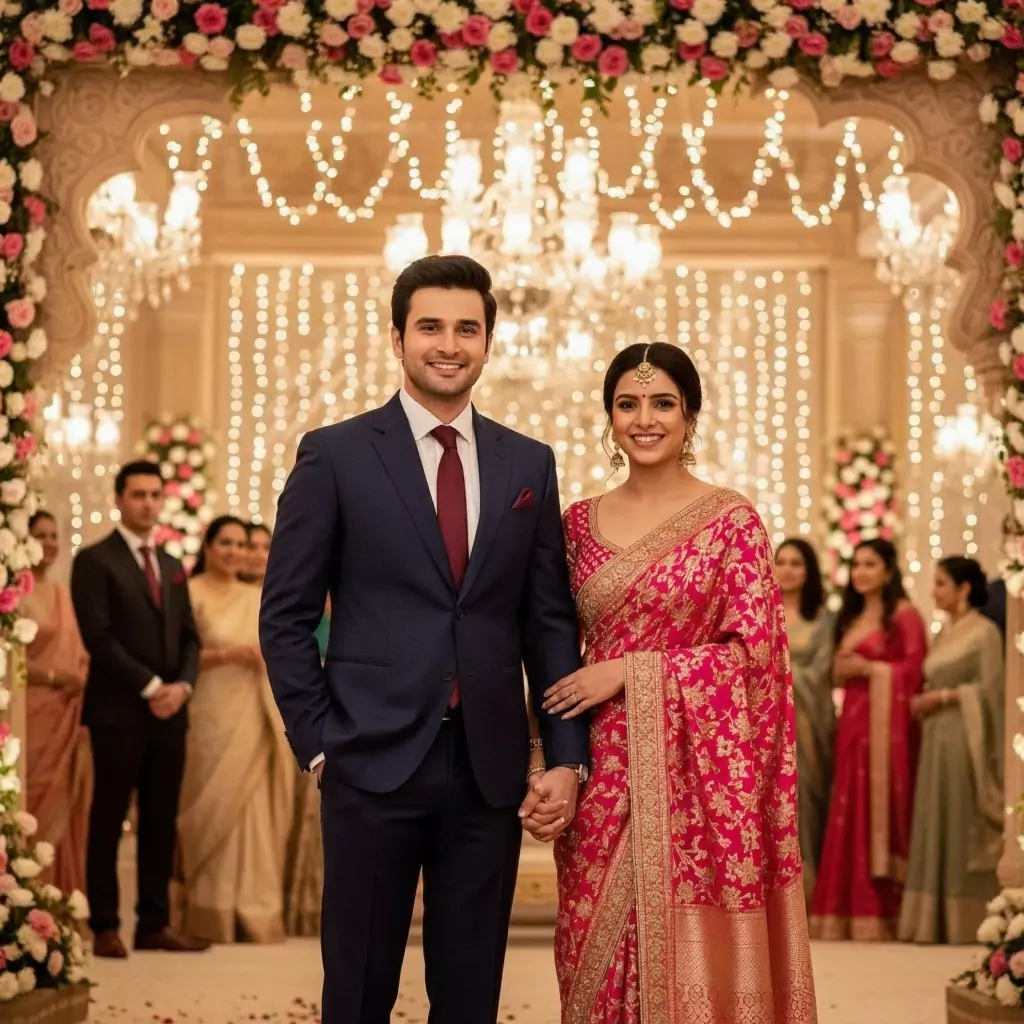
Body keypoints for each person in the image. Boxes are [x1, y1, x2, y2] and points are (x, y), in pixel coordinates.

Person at [259, 254, 590, 1024]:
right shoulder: (335, 453)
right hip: (366, 757)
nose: (449, 344)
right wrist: (318, 742)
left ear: (488, 342)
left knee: (470, 993)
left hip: (487, 767)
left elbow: (547, 623)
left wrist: (567, 756)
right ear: (398, 338)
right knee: (359, 988)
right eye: (430, 327)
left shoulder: (527, 462)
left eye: (466, 329)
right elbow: (285, 614)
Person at [543, 343, 817, 1023]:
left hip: (698, 783)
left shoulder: (731, 522)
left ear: (690, 416)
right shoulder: (576, 524)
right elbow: (549, 648)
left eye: (662, 403)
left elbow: (756, 658)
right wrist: (546, 759)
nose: (645, 419)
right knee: (588, 955)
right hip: (600, 773)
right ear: (609, 418)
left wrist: (630, 671)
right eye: (627, 404)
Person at [70, 460, 208, 958]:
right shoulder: (94, 560)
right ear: (119, 499)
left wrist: (183, 687)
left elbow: (190, 637)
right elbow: (99, 637)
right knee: (109, 818)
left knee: (161, 820)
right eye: (138, 495)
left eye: (154, 495)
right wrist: (152, 687)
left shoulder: (171, 564)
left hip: (172, 713)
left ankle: (154, 923)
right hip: (118, 712)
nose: (148, 504)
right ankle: (105, 924)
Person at [177, 516, 293, 943]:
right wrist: (227, 654)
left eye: (242, 544)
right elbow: (176, 658)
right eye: (225, 543)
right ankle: (210, 912)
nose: (235, 552)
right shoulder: (190, 593)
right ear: (207, 546)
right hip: (208, 714)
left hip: (257, 715)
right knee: (211, 805)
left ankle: (254, 910)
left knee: (253, 813)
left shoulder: (259, 596)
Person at [809, 539, 927, 941]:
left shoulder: (904, 616)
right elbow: (839, 671)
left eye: (870, 564)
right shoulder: (853, 616)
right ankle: (843, 911)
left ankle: (881, 910)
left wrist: (869, 669)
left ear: (888, 571)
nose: (860, 572)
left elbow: (915, 672)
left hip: (885, 731)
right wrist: (846, 671)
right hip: (854, 723)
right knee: (848, 804)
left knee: (875, 806)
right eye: (856, 564)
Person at [899, 556, 1004, 944]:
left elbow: (993, 692)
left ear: (964, 589)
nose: (934, 592)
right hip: (937, 738)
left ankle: (964, 922)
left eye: (941, 583)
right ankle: (931, 920)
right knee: (935, 816)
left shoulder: (985, 632)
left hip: (965, 739)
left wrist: (943, 697)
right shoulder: (946, 632)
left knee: (960, 817)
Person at [22, 511, 91, 895]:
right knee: (30, 801)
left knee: (65, 798)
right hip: (29, 713)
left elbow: (78, 653)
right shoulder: (15, 593)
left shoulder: (60, 591)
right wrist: (53, 677)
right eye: (40, 535)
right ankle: (24, 893)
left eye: (53, 535)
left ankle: (58, 899)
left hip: (66, 713)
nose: (49, 543)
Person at [775, 538, 835, 901]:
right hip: (767, 722)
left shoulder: (822, 620)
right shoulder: (762, 613)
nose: (787, 570)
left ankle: (807, 893)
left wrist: (780, 675)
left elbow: (822, 671)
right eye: (781, 561)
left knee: (805, 798)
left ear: (809, 571)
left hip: (807, 724)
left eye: (796, 563)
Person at [284, 592, 330, 938]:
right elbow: (284, 632)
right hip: (319, 722)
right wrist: (316, 744)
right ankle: (297, 903)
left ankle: (311, 903)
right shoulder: (307, 606)